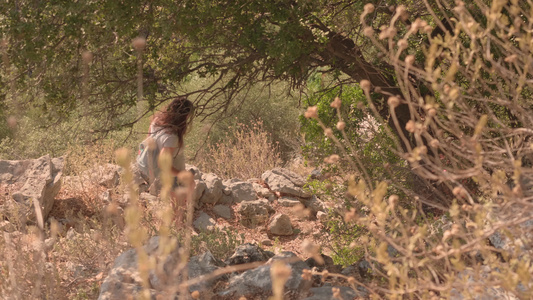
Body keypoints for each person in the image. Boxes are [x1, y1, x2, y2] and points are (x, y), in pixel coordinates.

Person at [135, 96, 195, 222]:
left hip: (147, 164)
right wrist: (182, 175)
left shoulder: (156, 121)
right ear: (184, 116)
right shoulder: (171, 136)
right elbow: (164, 164)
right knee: (185, 189)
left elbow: (149, 140)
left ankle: (176, 216)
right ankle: (176, 221)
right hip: (168, 171)